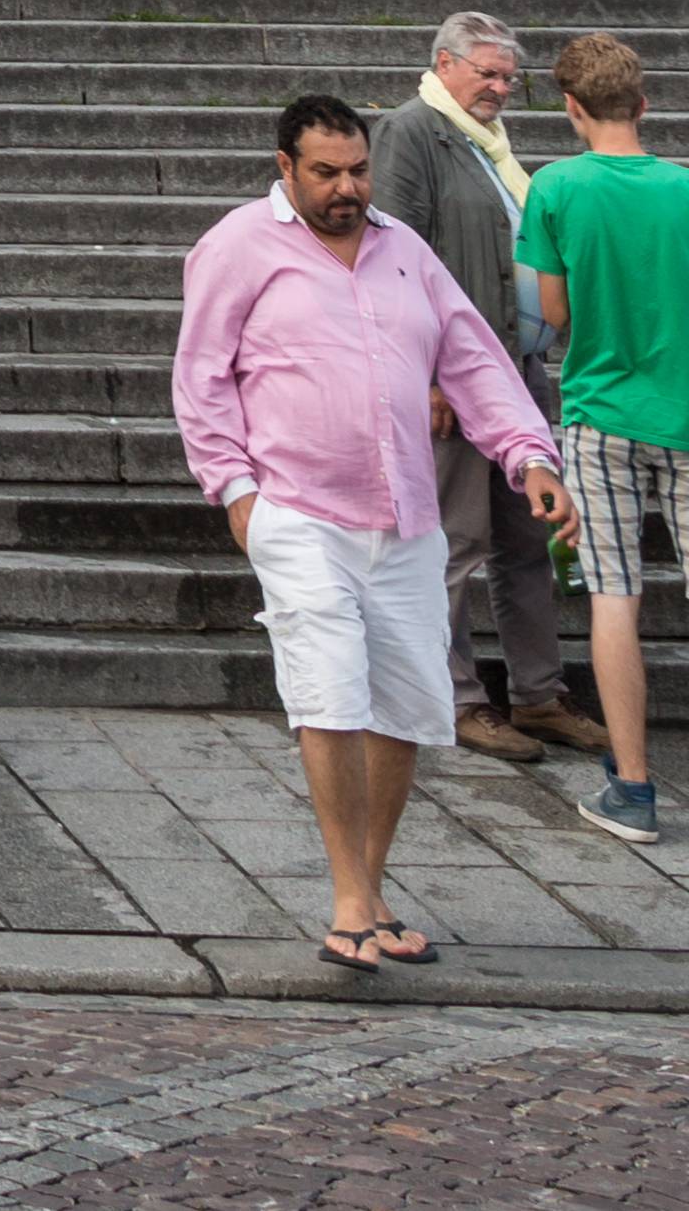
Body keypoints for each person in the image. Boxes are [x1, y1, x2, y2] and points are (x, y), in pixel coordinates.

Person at [171, 91, 571, 968]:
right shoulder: (240, 245)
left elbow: (474, 359)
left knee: (403, 707)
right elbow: (201, 376)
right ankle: (348, 897)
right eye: (326, 173)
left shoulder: (406, 250)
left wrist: (527, 457)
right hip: (298, 510)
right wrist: (235, 491)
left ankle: (373, 884)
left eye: (357, 170)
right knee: (329, 692)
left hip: (407, 518)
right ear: (286, 168)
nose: (347, 187)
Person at [368, 15, 608, 772]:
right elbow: (392, 252)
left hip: (518, 372)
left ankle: (538, 693)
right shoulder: (413, 131)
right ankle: (458, 697)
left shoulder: (487, 144)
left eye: (509, 79)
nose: (502, 90)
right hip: (456, 378)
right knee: (459, 542)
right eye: (489, 75)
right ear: (445, 63)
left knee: (526, 540)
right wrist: (431, 371)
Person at [521, 29, 689, 847]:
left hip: (599, 413)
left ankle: (633, 789)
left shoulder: (555, 188)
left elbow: (553, 317)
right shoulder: (685, 188)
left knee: (614, 596)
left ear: (572, 108)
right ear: (644, 104)